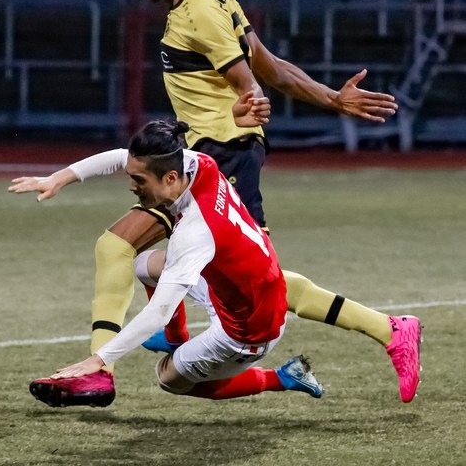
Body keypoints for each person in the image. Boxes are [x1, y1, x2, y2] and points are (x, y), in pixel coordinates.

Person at [10, 0, 422, 406]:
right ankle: (388, 329)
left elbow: (251, 79)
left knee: (124, 248)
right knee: (254, 276)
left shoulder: (201, 9)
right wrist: (331, 98)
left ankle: (101, 369)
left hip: (220, 155)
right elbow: (272, 66)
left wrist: (248, 103)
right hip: (220, 152)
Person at [26, 119, 325, 407]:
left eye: (139, 180)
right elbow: (121, 157)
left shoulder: (195, 231)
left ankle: (283, 377)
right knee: (144, 265)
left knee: (169, 379)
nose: (131, 186)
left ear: (170, 178)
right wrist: (60, 178)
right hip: (240, 287)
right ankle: (176, 339)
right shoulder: (197, 163)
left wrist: (98, 360)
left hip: (249, 330)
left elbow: (159, 311)